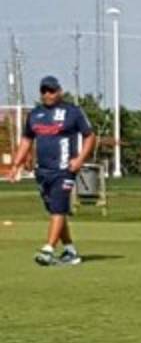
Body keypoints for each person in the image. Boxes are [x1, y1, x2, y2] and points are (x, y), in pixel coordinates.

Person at [5, 76, 96, 266]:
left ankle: (48, 249)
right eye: (44, 91)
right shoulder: (35, 114)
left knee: (58, 208)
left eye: (51, 91)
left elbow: (89, 136)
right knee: (56, 210)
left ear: (59, 91)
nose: (47, 94)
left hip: (64, 169)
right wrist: (16, 165)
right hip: (43, 170)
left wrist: (80, 159)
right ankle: (70, 251)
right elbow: (27, 140)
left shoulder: (73, 112)